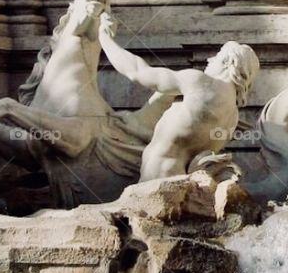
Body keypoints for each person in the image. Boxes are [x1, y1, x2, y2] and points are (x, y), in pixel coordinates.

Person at [98, 14, 259, 181]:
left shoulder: (201, 83)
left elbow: (137, 71)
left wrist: (104, 37)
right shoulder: (232, 117)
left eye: (217, 56)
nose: (209, 60)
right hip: (183, 180)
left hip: (159, 177)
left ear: (228, 62)